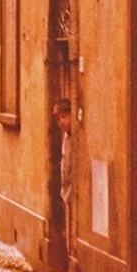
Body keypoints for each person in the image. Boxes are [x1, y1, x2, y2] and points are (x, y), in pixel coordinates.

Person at [52, 98, 72, 255]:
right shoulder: (66, 136)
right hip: (66, 193)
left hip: (73, 194)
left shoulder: (77, 137)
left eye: (64, 117)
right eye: (58, 119)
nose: (61, 122)